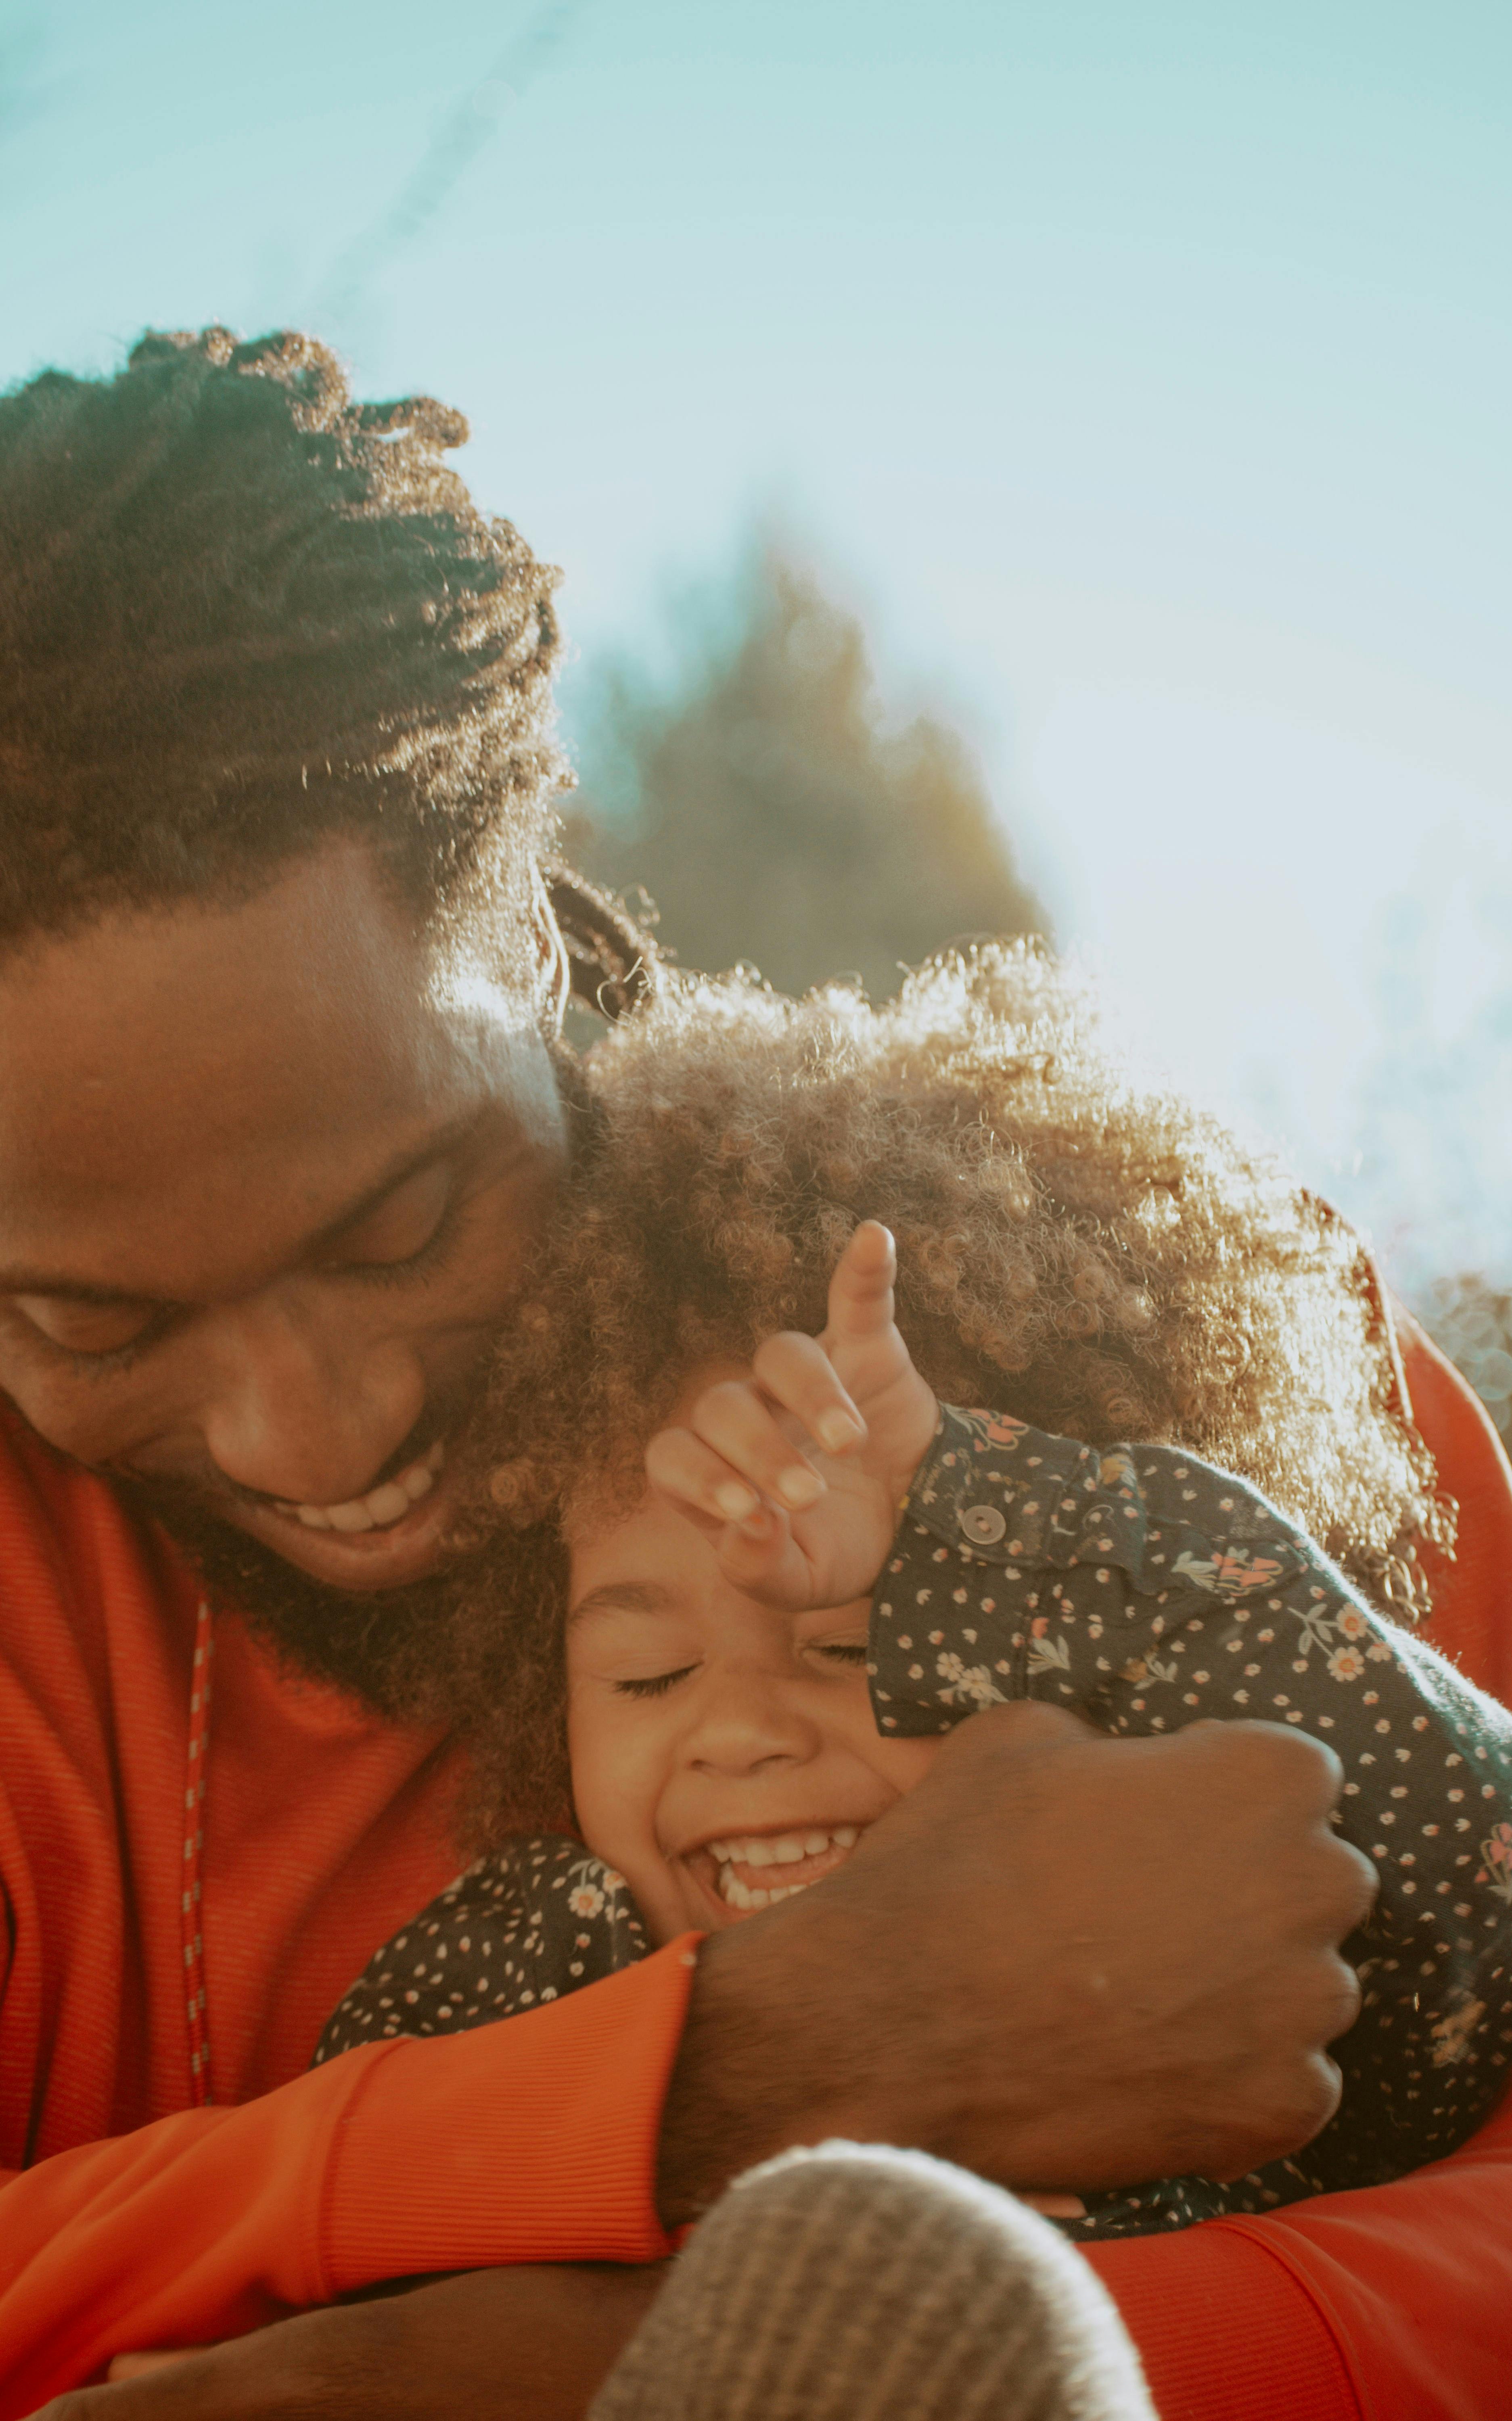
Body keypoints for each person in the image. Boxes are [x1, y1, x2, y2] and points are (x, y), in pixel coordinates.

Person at [0, 326, 1502, 2421]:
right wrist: (740, 2071)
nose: (313, 1431)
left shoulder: (1083, 1291)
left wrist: (850, 2360)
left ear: (535, 938)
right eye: (92, 1320)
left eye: (402, 1227)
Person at [313, 985, 1512, 2244]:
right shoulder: (539, 1978)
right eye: (648, 1673)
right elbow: (362, 2243)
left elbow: (1480, 1863)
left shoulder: (1242, 1988)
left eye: (854, 1645)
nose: (740, 1731)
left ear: (1099, 1658)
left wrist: (972, 1504)